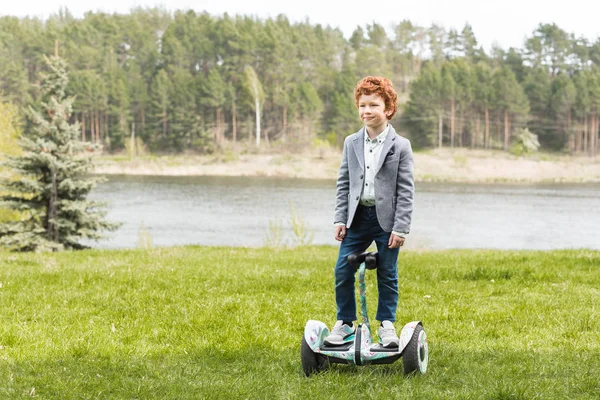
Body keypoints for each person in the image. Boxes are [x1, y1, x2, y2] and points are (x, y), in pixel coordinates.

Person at [324, 76, 414, 348]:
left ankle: (387, 325)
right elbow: (344, 183)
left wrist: (401, 228)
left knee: (387, 271)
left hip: (386, 221)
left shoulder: (401, 146)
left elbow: (406, 190)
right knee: (342, 270)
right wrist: (340, 218)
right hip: (357, 219)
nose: (366, 111)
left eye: (374, 105)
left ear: (388, 109)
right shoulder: (351, 142)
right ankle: (345, 324)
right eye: (362, 105)